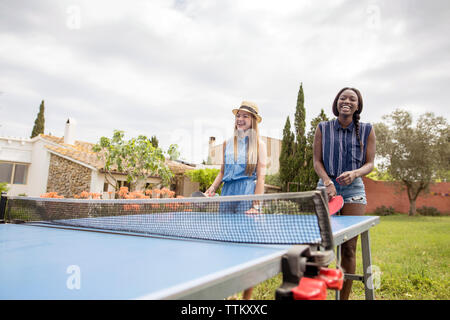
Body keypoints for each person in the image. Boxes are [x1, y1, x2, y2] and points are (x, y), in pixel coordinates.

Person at [313, 87, 376, 300]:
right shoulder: (323, 127)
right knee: (320, 245)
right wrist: (328, 182)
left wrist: (355, 173)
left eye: (352, 99)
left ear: (358, 105)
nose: (346, 101)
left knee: (349, 248)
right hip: (326, 187)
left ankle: (343, 298)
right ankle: (317, 293)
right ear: (336, 102)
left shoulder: (367, 129)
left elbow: (370, 164)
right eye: (343, 98)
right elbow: (316, 162)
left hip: (354, 189)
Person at [205, 100, 267, 299]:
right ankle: (227, 293)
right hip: (227, 194)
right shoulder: (226, 143)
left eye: (245, 116)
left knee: (246, 248)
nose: (240, 119)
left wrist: (256, 206)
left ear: (253, 121)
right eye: (238, 116)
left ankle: (245, 300)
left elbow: (261, 178)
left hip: (247, 193)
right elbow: (222, 171)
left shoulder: (260, 145)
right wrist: (213, 188)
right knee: (225, 244)